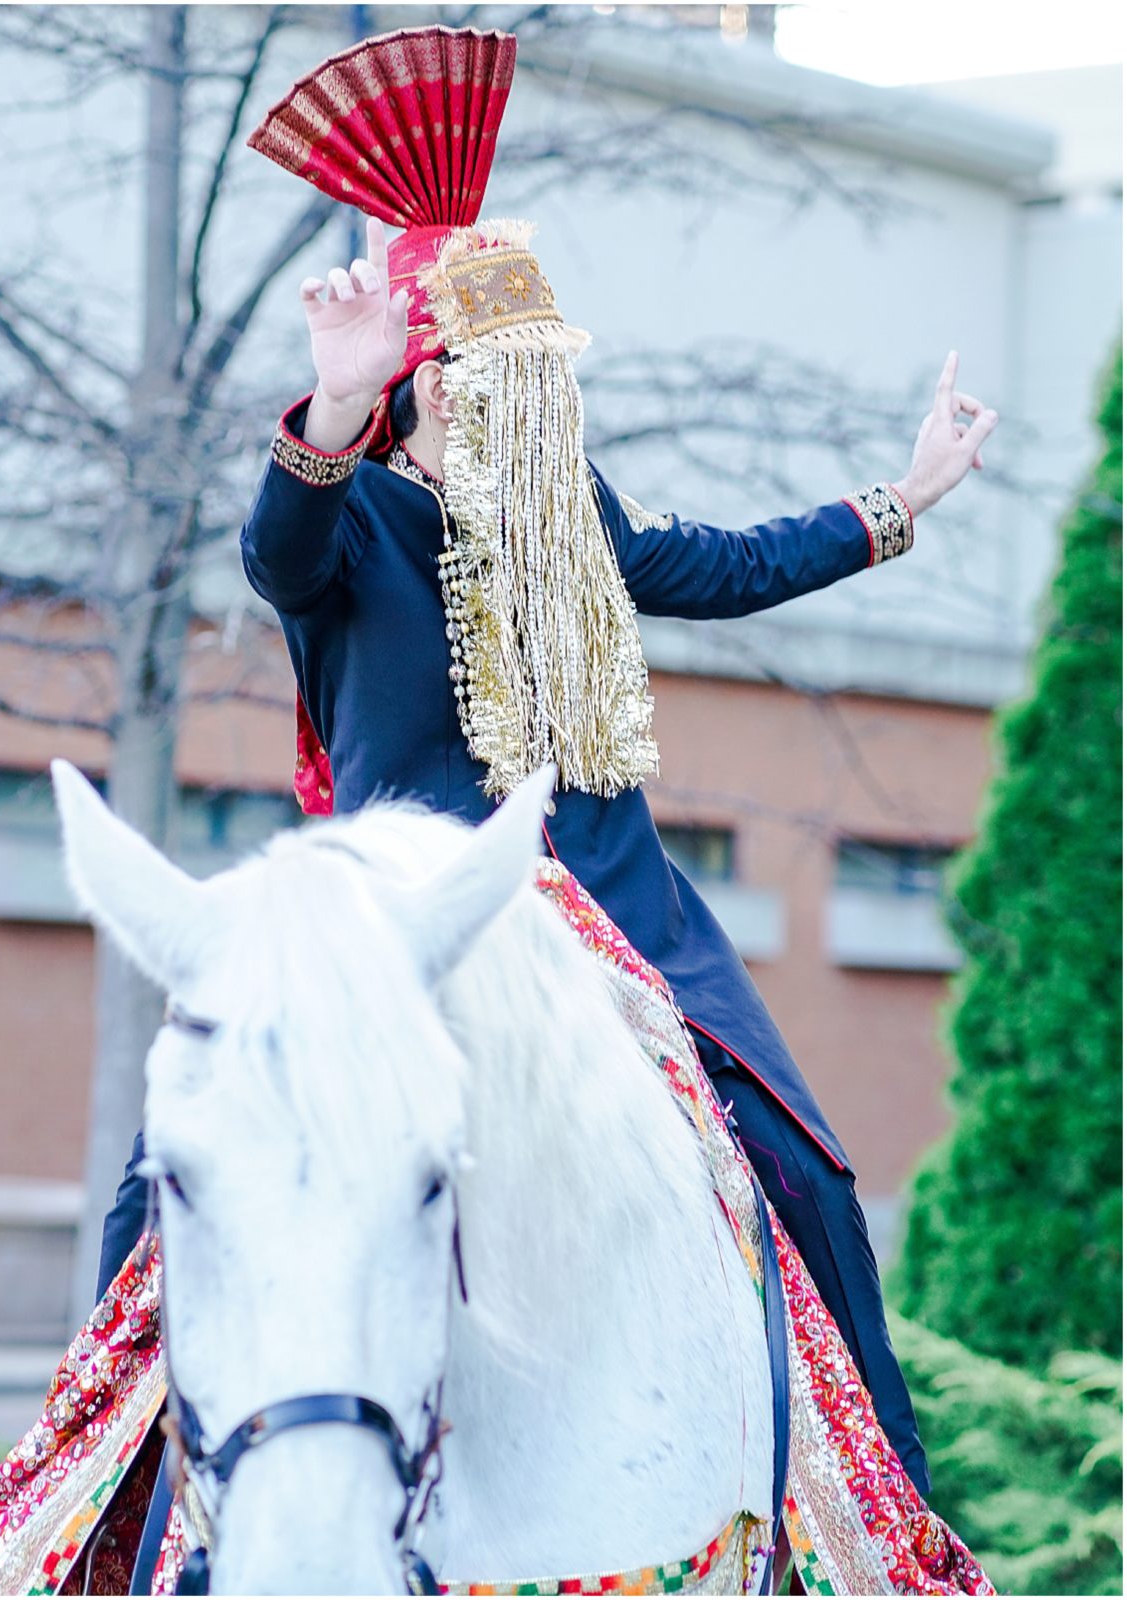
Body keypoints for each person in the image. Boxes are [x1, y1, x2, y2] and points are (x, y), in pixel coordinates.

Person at [99, 23, 999, 1512]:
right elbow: (278, 549)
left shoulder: (569, 516)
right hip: (409, 920)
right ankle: (122, 1510)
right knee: (172, 1171)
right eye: (459, 375)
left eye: (518, 376)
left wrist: (905, 498)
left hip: (624, 913)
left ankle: (865, 1510)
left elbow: (718, 564)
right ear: (409, 384)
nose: (492, 400)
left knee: (809, 1171)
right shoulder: (358, 522)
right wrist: (329, 399)